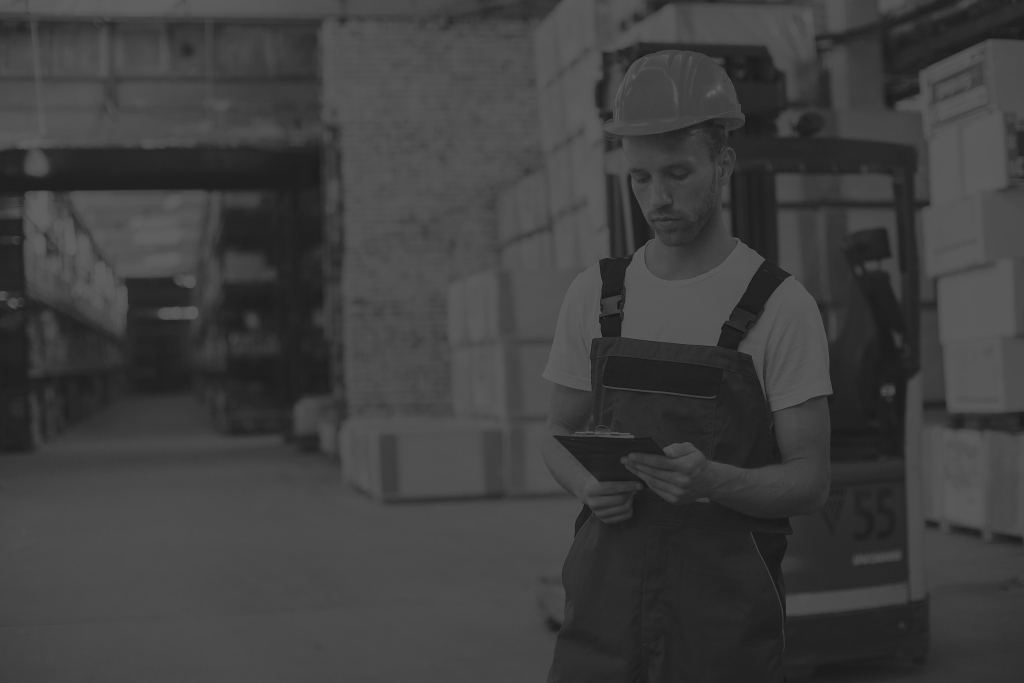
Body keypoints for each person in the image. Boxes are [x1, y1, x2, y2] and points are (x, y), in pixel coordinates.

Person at [541, 50, 833, 682]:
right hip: (603, 616)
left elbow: (811, 481)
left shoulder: (779, 307)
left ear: (723, 163)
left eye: (678, 173)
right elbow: (556, 435)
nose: (659, 198)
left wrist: (713, 482)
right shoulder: (596, 296)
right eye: (640, 179)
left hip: (721, 629)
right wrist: (587, 487)